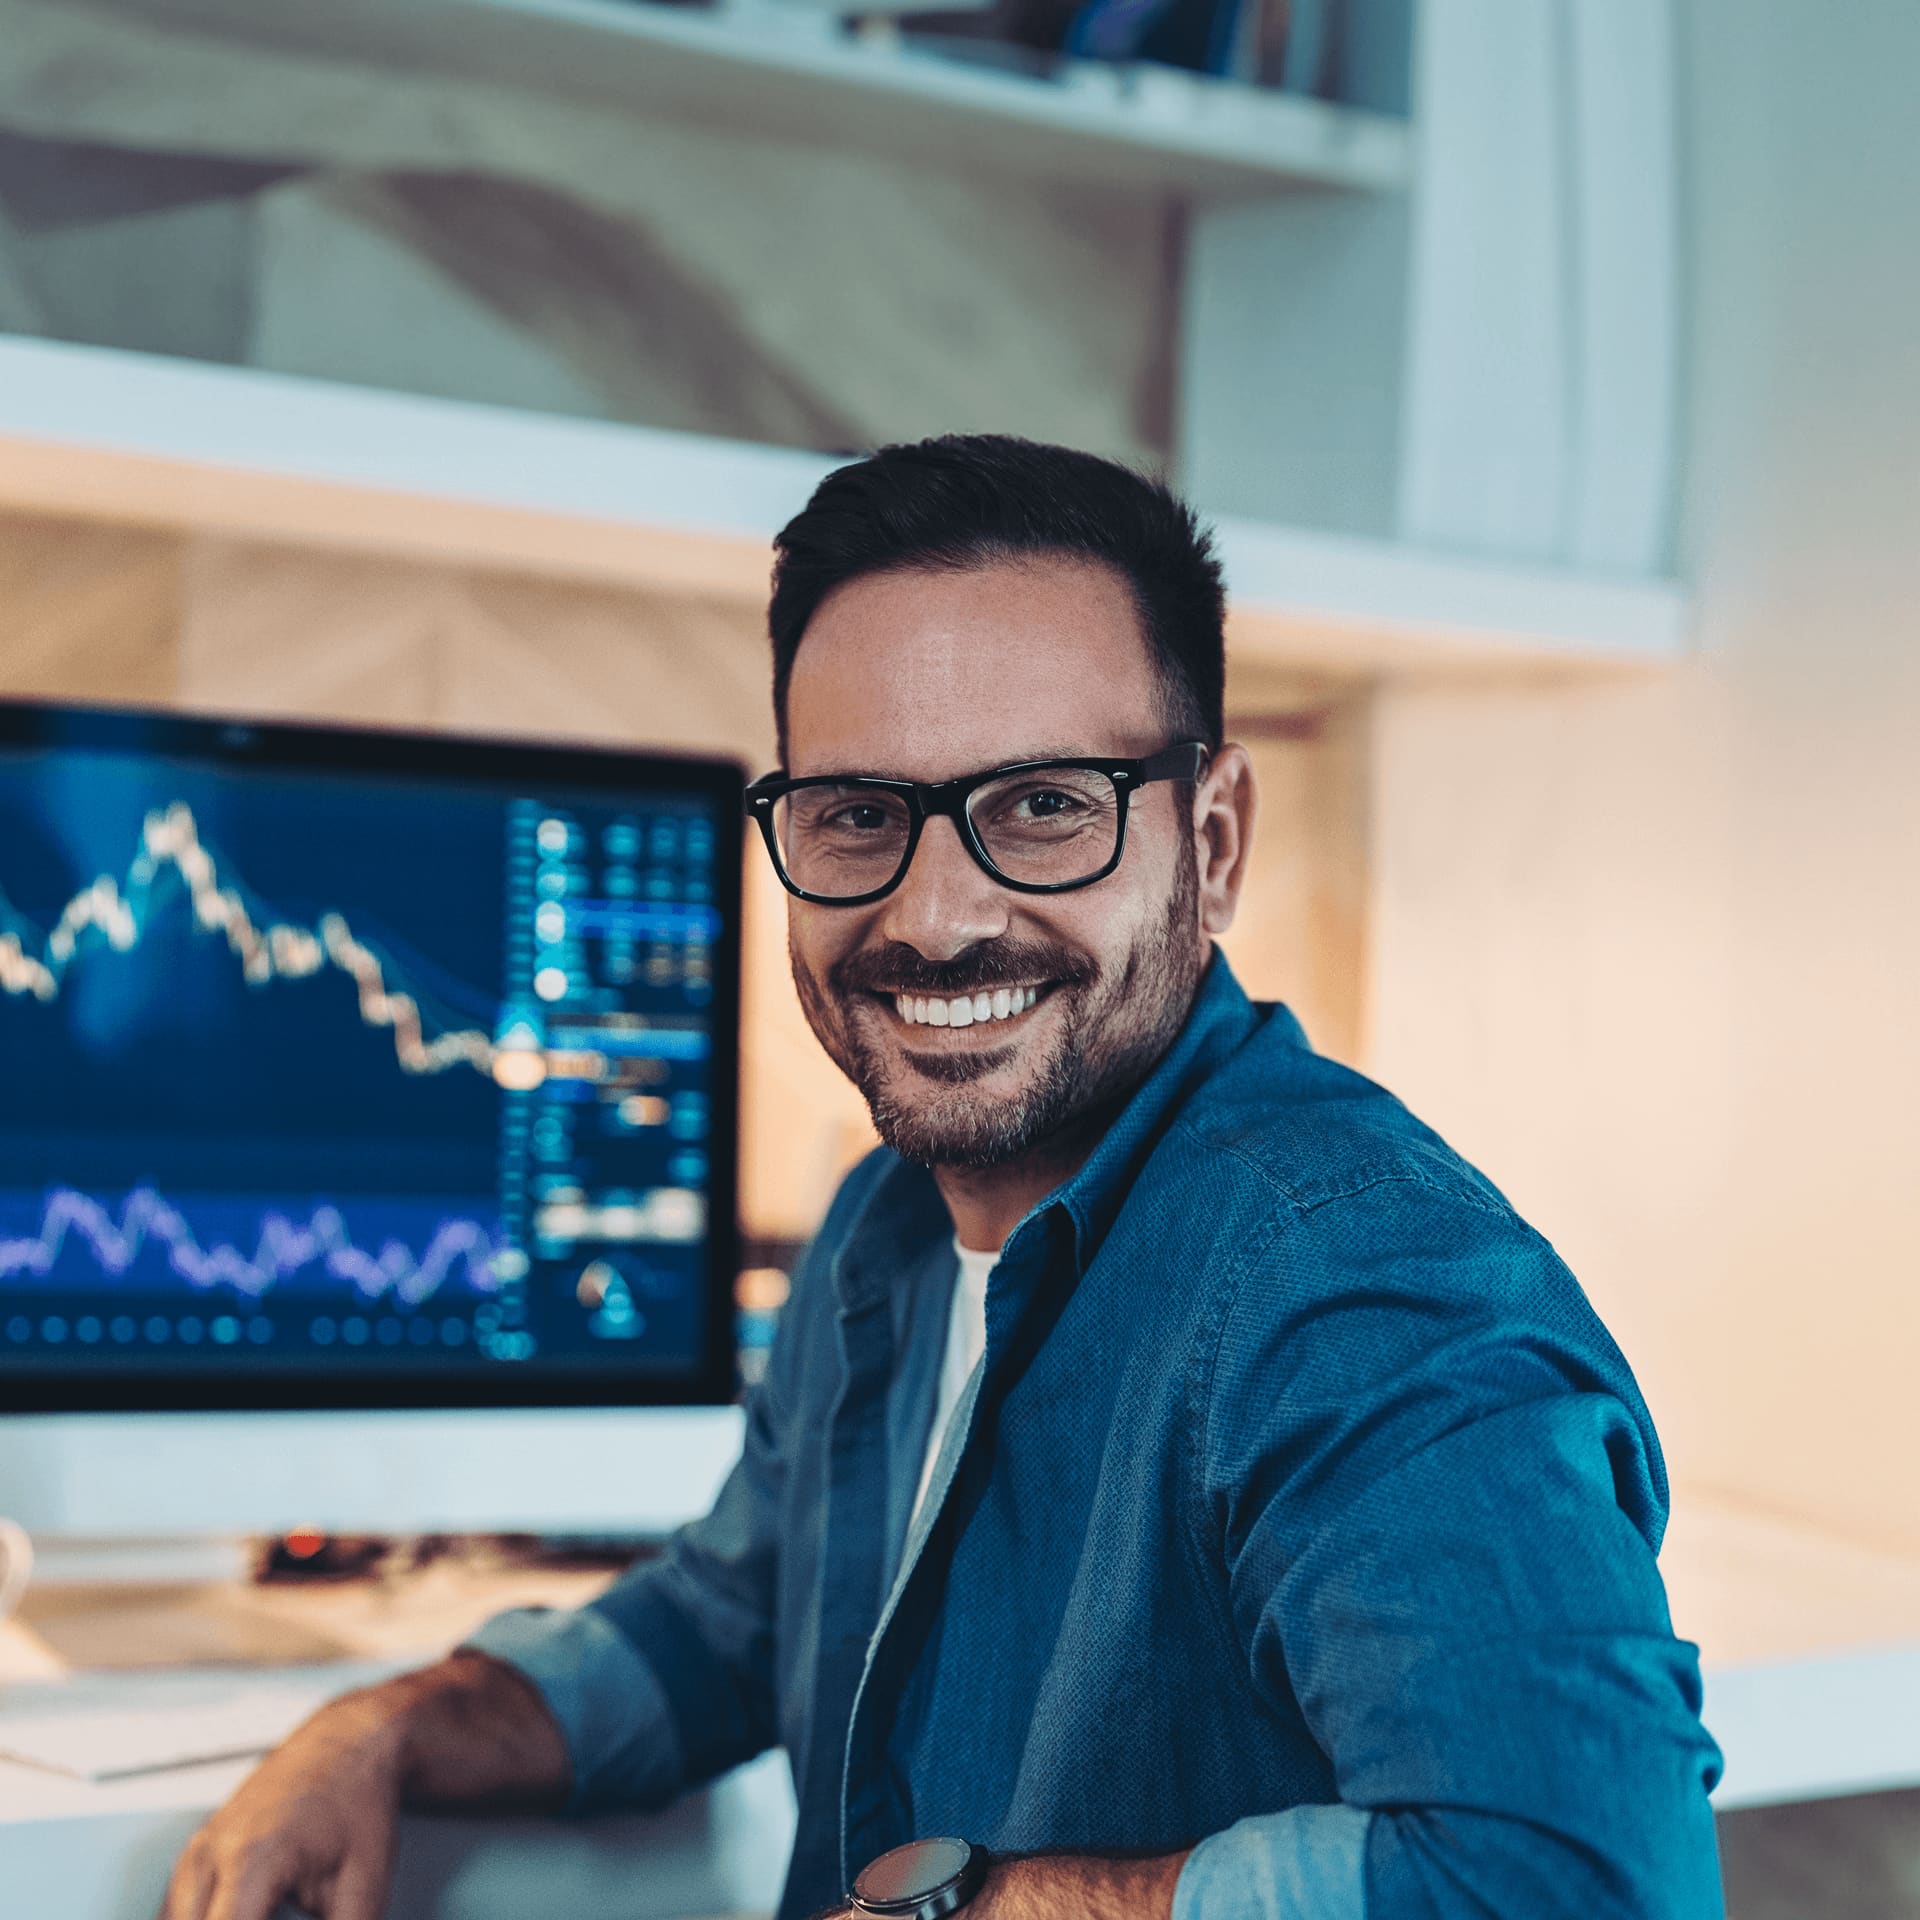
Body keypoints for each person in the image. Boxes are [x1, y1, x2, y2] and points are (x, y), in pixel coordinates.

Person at [161, 436, 1725, 1920]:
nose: (935, 914)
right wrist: (378, 1732)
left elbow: (1586, 1881)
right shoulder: (890, 1224)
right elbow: (724, 1626)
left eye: (1043, 806)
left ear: (1219, 839)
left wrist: (979, 1905)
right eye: (857, 816)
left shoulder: (1353, 1286)